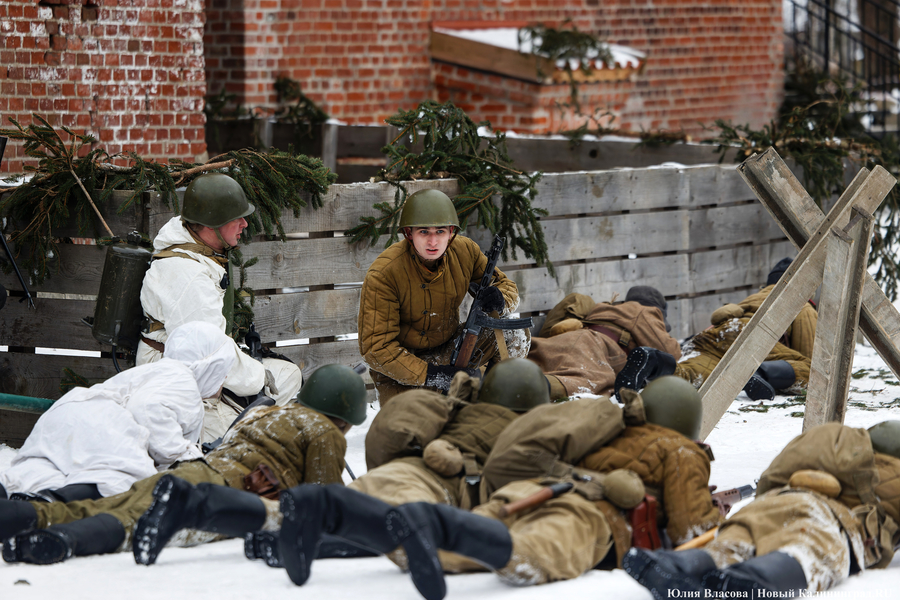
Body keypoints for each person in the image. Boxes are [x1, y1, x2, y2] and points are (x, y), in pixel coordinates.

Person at [269, 375, 722, 600]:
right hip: (584, 517)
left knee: (452, 544)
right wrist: (717, 511)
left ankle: (338, 515)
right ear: (688, 425)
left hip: (528, 492)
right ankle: (427, 524)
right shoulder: (681, 452)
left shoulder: (604, 432)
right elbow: (690, 529)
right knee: (529, 555)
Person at [0, 364, 367, 566]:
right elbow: (324, 502)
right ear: (345, 415)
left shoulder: (268, 415)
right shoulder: (324, 431)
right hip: (223, 494)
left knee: (101, 506)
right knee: (134, 523)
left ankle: (25, 520)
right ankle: (65, 542)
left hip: (194, 471)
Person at [623, 420, 900, 598]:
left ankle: (676, 565)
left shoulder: (829, 451)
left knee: (732, 545)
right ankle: (745, 584)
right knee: (806, 552)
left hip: (772, 502)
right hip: (831, 521)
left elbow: (769, 480)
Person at [137, 172, 303, 440]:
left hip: (205, 368)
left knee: (288, 376)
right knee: (242, 439)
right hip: (180, 381)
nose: (244, 224)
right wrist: (259, 377)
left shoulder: (199, 251)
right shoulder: (188, 277)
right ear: (212, 224)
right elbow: (208, 356)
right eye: (236, 218)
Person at [0, 321, 235, 502]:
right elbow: (147, 409)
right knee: (116, 482)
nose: (224, 378)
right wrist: (184, 454)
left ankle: (12, 495)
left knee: (39, 473)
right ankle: (51, 502)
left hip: (70, 413)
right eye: (223, 369)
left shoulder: (157, 371)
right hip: (105, 426)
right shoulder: (184, 381)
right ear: (210, 366)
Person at [357, 188, 529, 405]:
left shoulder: (465, 251)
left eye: (440, 232)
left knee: (514, 332)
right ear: (409, 234)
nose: (433, 242)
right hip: (403, 370)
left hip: (449, 347)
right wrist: (435, 376)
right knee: (417, 428)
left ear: (451, 232)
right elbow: (376, 349)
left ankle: (495, 407)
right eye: (423, 232)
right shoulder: (384, 274)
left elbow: (506, 285)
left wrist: (500, 298)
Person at [674, 257, 816, 401]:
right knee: (814, 374)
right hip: (753, 337)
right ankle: (759, 373)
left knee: (694, 373)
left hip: (721, 332)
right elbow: (810, 354)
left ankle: (658, 366)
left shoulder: (753, 298)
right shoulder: (802, 305)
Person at [526, 286, 681, 400]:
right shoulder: (643, 311)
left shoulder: (607, 308)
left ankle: (520, 382)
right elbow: (670, 352)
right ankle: (526, 389)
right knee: (589, 382)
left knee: (540, 361)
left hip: (568, 338)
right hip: (595, 346)